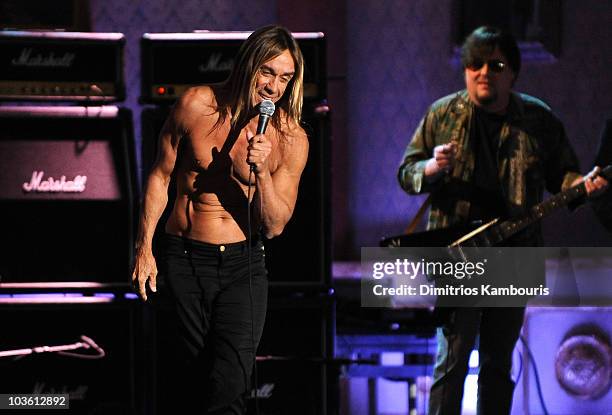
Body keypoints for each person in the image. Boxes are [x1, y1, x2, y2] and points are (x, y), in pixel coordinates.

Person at [397, 26, 608, 415]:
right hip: (457, 256)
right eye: (475, 65)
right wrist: (430, 167)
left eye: (495, 65)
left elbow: (563, 175)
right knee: (451, 364)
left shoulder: (538, 118)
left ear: (512, 72)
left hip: (514, 255)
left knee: (498, 363)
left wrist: (582, 185)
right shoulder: (442, 114)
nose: (484, 73)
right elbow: (406, 173)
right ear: (464, 70)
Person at [131, 25, 308, 414]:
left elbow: (276, 225)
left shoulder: (290, 137)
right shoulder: (197, 105)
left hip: (243, 266)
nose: (274, 86)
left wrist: (260, 172)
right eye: (267, 72)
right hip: (185, 258)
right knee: (191, 381)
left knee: (230, 384)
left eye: (285, 77)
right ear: (247, 65)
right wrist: (144, 247)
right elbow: (160, 176)